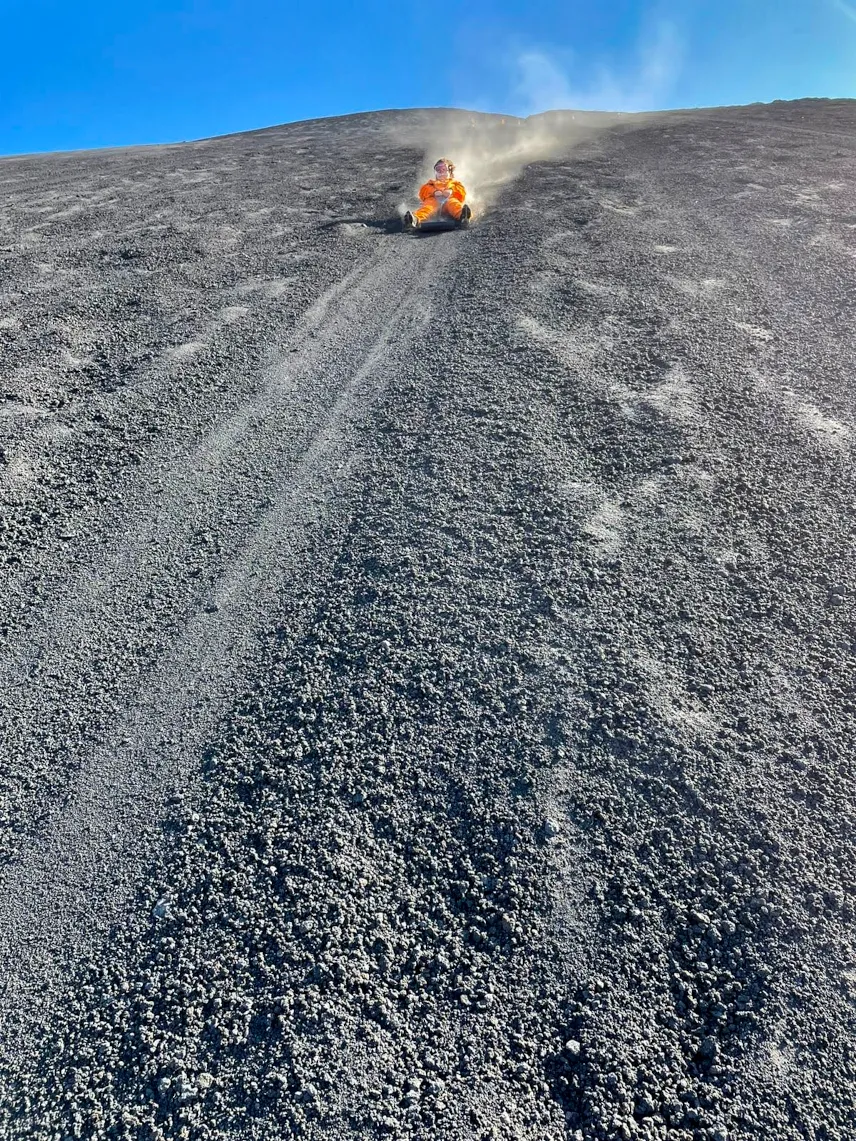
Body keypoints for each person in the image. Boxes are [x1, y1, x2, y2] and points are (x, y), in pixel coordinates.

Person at [404, 158, 471, 230]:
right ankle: (415, 219)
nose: (441, 173)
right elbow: (423, 192)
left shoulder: (454, 183)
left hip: (449, 200)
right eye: (438, 170)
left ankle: (463, 216)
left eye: (444, 170)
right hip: (434, 201)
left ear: (450, 172)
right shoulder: (431, 183)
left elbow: (462, 193)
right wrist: (434, 192)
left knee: (454, 204)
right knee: (427, 208)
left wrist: (451, 190)